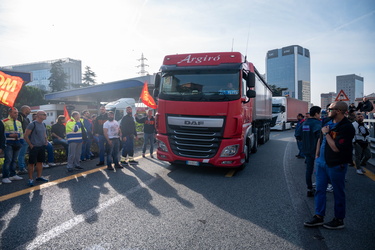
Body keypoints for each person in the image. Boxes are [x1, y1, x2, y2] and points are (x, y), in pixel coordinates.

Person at [304, 101, 355, 229]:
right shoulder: (327, 122)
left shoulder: (346, 127)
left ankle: (339, 219)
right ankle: (318, 217)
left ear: (338, 111)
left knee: (338, 192)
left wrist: (327, 133)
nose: (327, 111)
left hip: (336, 163)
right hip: (321, 162)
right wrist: (317, 155)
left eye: (330, 109)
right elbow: (320, 139)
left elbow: (337, 148)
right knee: (320, 190)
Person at [297, 106, 322, 197]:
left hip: (306, 150)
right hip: (317, 151)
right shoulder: (317, 124)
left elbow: (298, 135)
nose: (320, 116)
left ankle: (309, 188)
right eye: (319, 113)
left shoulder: (304, 123)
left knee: (309, 170)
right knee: (320, 170)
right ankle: (320, 188)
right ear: (316, 114)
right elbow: (320, 136)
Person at [24, 110, 49, 187]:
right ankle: (30, 179)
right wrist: (30, 145)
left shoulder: (43, 124)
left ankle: (39, 177)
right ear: (38, 115)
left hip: (41, 146)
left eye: (46, 114)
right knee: (31, 163)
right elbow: (25, 135)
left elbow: (44, 133)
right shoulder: (32, 124)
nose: (45, 116)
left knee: (40, 162)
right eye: (44, 114)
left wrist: (46, 140)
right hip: (34, 147)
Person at [2, 107, 24, 184]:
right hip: (8, 143)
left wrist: (21, 142)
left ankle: (13, 174)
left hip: (17, 143)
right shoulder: (4, 122)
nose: (16, 114)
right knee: (8, 160)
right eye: (15, 113)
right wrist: (10, 135)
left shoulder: (18, 122)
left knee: (14, 160)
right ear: (10, 113)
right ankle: (5, 176)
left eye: (17, 113)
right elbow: (1, 133)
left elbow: (21, 132)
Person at [17, 105, 31, 174]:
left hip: (26, 138)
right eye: (29, 109)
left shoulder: (26, 118)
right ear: (25, 110)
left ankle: (23, 167)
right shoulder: (19, 117)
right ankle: (22, 168)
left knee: (23, 154)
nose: (30, 110)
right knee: (21, 154)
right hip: (22, 138)